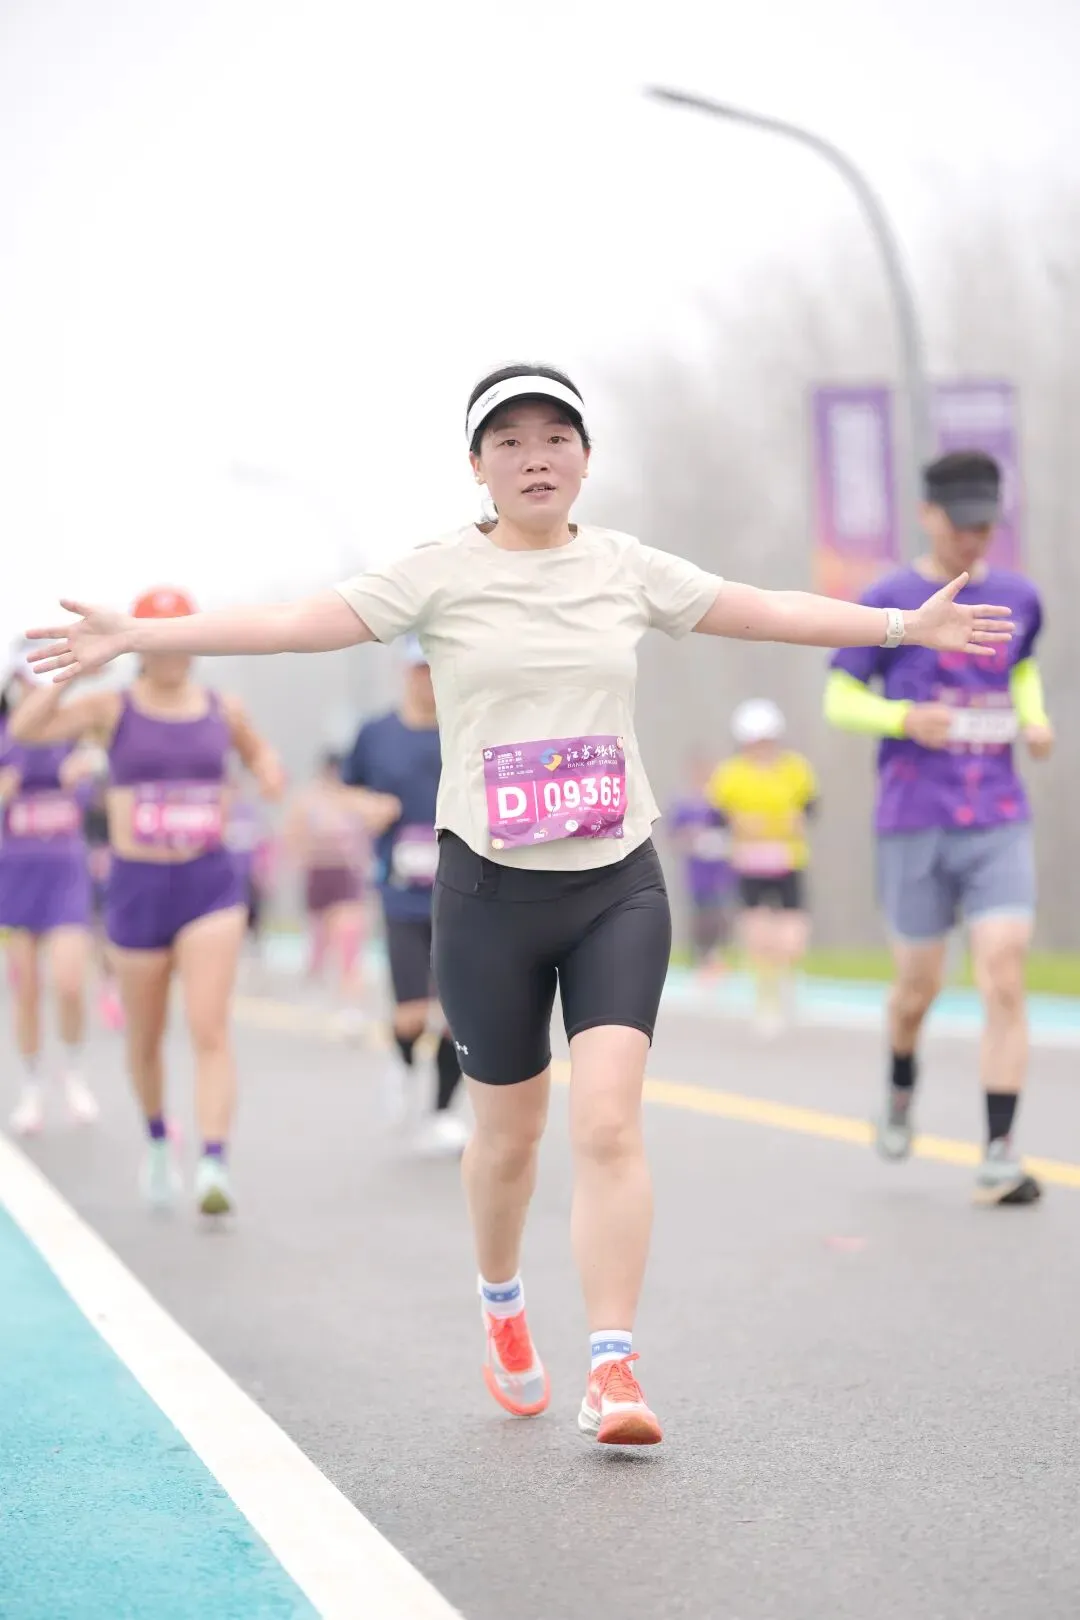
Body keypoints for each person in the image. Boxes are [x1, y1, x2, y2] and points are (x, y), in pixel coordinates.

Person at [23, 364, 1014, 1444]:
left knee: (608, 1122)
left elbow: (764, 609)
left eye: (556, 438)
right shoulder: (437, 574)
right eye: (510, 442)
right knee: (507, 1141)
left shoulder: (627, 567)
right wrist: (143, 638)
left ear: (586, 458)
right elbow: (300, 623)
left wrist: (901, 629)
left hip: (616, 884)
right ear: (477, 467)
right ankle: (501, 1300)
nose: (536, 458)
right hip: (488, 893)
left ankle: (614, 1367)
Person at [11, 587, 284, 1215]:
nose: (170, 647)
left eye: (180, 631)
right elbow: (28, 731)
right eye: (158, 633)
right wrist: (75, 674)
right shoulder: (112, 707)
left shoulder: (221, 708)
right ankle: (159, 1140)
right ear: (138, 641)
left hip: (208, 884)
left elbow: (259, 753)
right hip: (138, 888)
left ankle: (213, 1162)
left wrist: (268, 771)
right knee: (146, 1037)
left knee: (209, 1026)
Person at [824, 450, 1051, 1205]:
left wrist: (1035, 718)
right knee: (916, 990)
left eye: (985, 526)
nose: (973, 538)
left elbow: (1021, 669)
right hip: (913, 820)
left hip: (997, 816)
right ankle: (899, 1084)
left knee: (1004, 971)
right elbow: (839, 697)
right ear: (928, 516)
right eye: (960, 525)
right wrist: (902, 718)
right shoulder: (888, 598)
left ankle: (999, 1152)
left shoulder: (1019, 596)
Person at [341, 636, 467, 1156]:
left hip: (464, 892)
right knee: (412, 1014)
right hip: (402, 893)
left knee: (458, 1015)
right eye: (419, 668)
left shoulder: (466, 727)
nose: (428, 678)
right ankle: (400, 1061)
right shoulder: (376, 734)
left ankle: (441, 1114)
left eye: (435, 667)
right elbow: (345, 787)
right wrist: (366, 807)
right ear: (404, 670)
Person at [0, 654, 99, 1133]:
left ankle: (73, 1072)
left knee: (70, 982)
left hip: (66, 875)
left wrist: (84, 775)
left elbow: (94, 793)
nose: (33, 689)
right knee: (26, 990)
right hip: (15, 878)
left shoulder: (72, 730)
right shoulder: (6, 735)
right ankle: (32, 1087)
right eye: (26, 681)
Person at [707, 700, 817, 1034]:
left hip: (788, 861)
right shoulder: (730, 774)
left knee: (792, 938)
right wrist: (741, 823)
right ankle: (766, 1001)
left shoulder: (795, 769)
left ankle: (789, 985)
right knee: (759, 937)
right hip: (750, 864)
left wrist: (793, 821)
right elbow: (717, 816)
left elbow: (810, 808)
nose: (761, 748)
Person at [283, 752, 369, 1012]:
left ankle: (350, 998)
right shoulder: (309, 799)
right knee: (319, 936)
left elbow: (368, 832)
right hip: (318, 871)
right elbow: (293, 832)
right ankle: (315, 981)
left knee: (348, 935)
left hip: (345, 873)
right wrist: (298, 859)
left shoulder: (353, 798)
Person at [666, 751, 734, 978]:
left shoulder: (719, 803)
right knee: (700, 916)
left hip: (721, 872)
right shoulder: (684, 805)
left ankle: (716, 958)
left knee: (720, 916)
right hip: (697, 873)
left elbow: (732, 828)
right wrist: (693, 839)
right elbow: (674, 837)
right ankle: (699, 960)